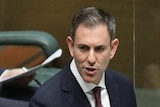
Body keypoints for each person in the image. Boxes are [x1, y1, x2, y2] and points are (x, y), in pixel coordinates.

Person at [29, 7, 137, 107]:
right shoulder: (46, 102)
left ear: (113, 48)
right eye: (83, 48)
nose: (91, 59)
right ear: (71, 46)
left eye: (99, 49)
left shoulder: (124, 87)